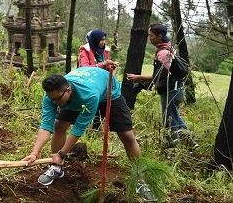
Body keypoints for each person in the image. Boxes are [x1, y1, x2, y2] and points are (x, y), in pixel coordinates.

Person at [21, 67, 156, 201]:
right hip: (82, 91)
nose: (55, 103)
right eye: (52, 100)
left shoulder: (89, 95)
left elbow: (79, 128)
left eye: (58, 99)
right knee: (59, 125)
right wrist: (35, 153)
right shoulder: (52, 95)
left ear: (67, 90)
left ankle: (140, 178)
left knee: (127, 135)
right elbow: (46, 125)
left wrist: (62, 154)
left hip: (108, 91)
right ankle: (56, 168)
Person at [126, 23, 198, 149]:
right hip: (176, 89)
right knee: (175, 116)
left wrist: (138, 77)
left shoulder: (163, 53)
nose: (150, 37)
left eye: (152, 35)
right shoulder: (168, 48)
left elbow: (158, 76)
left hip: (171, 91)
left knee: (170, 120)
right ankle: (191, 142)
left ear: (159, 36)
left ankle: (172, 148)